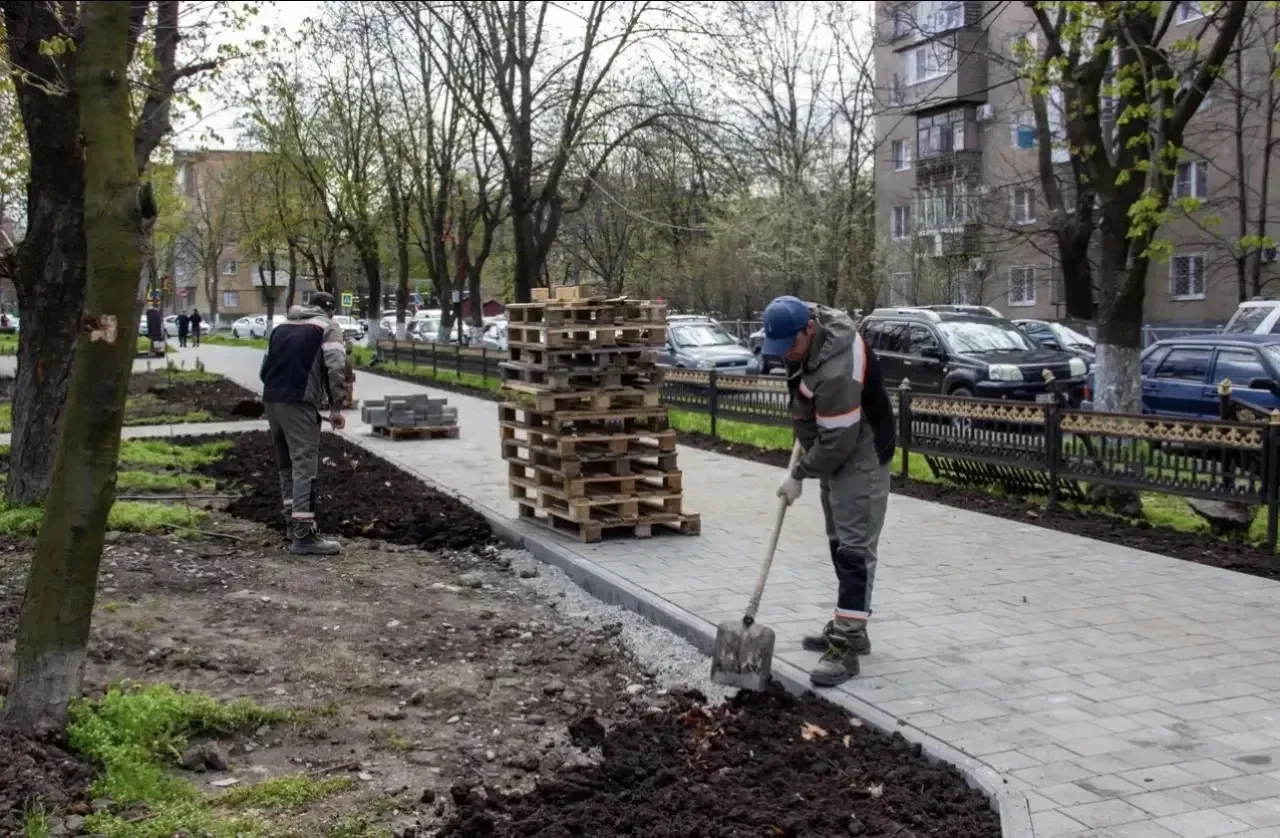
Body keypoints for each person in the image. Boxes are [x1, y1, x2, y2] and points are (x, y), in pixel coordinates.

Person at [760, 295, 896, 687]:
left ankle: (847, 645)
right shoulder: (808, 333)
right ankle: (851, 624)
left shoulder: (838, 369)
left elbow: (839, 442)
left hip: (861, 453)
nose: (785, 355)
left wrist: (799, 473)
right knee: (838, 539)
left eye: (789, 346)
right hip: (833, 449)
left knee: (854, 550)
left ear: (809, 330)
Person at [259, 291, 349, 556]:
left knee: (286, 466)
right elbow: (336, 368)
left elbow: (264, 370)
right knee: (304, 467)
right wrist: (336, 407)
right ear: (330, 311)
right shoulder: (327, 327)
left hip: (272, 400)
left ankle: (291, 524)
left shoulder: (280, 328)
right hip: (299, 402)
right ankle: (304, 535)